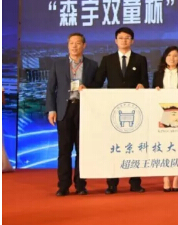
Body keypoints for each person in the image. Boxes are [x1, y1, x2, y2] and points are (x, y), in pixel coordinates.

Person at [92, 26, 148, 194]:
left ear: (133, 41)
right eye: (121, 38)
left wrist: (142, 85)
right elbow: (98, 82)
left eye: (127, 38)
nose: (124, 40)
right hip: (113, 109)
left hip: (134, 109)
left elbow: (145, 81)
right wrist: (86, 90)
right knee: (113, 146)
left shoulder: (140, 59)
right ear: (115, 41)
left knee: (135, 146)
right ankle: (112, 183)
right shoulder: (107, 60)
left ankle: (135, 182)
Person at [45, 32, 98, 196]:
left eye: (78, 43)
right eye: (71, 43)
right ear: (68, 45)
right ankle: (63, 186)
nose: (74, 46)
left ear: (84, 45)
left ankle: (81, 185)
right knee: (64, 150)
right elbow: (51, 89)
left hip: (84, 109)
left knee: (83, 150)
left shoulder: (92, 65)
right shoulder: (58, 64)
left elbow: (97, 86)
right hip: (64, 110)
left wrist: (88, 89)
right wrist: (51, 109)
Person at [153, 46, 178, 192]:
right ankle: (165, 177)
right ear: (165, 57)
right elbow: (152, 93)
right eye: (169, 55)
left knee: (177, 145)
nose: (172, 58)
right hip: (162, 112)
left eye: (175, 56)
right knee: (164, 145)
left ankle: (176, 177)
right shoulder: (157, 74)